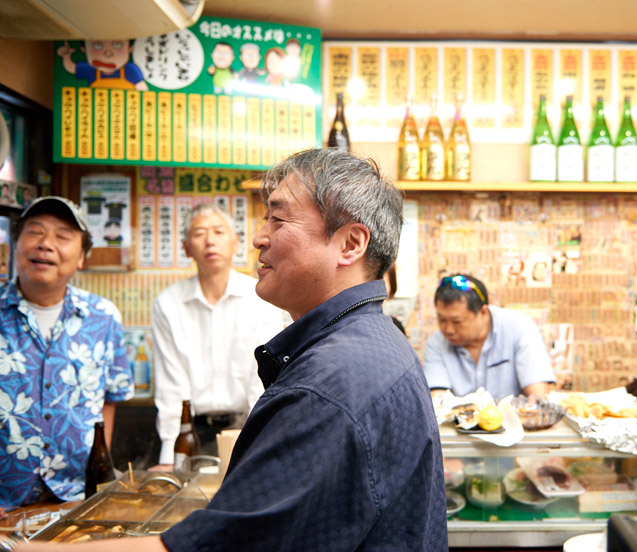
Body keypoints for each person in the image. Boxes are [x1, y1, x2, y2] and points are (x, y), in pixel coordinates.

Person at [15, 150, 448, 552]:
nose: (259, 238)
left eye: (278, 221)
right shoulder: (374, 339)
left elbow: (216, 545)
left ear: (350, 244)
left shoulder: (329, 384)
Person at [0, 197, 133, 510]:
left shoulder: (103, 316)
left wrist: (96, 479)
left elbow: (108, 400)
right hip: (5, 500)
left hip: (76, 499)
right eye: (34, 232)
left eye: (62, 236)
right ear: (15, 245)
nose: (46, 244)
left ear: (82, 257)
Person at [150, 203, 286, 469]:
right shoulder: (168, 303)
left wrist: (262, 443)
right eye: (199, 233)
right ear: (186, 247)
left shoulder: (260, 297)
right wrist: (169, 455)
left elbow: (262, 381)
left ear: (236, 243)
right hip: (190, 433)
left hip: (246, 426)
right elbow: (170, 386)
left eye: (218, 232)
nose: (210, 241)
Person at [423, 273, 557, 399]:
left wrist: (533, 406)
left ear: (483, 312)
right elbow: (437, 399)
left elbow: (538, 394)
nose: (448, 329)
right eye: (442, 320)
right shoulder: (437, 342)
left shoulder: (519, 328)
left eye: (457, 322)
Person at [57, 39, 148, 90]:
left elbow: (142, 88)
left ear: (130, 48)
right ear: (84, 49)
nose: (108, 53)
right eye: (97, 46)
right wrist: (66, 56)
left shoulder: (130, 70)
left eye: (117, 45)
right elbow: (72, 68)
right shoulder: (91, 70)